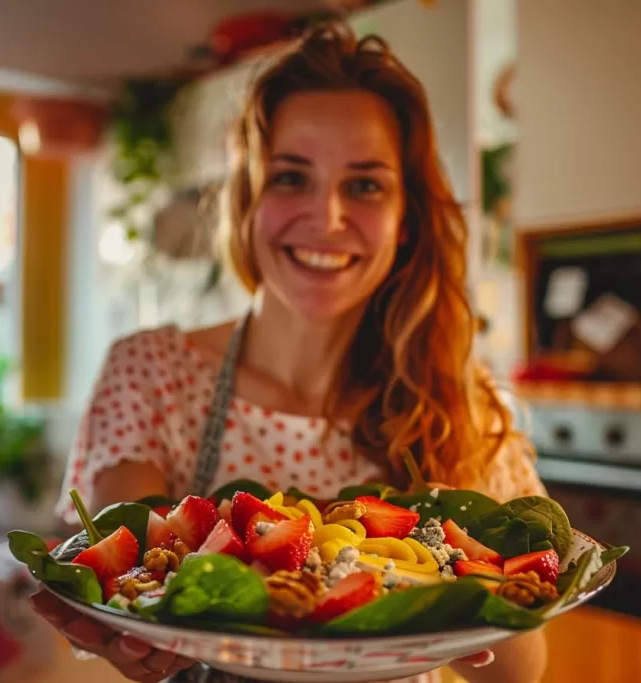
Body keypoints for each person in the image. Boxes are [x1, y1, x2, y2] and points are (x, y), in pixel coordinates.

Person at [32, 19, 548, 683]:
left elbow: (520, 671)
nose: (326, 217)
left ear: (406, 219)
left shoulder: (459, 396)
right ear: (249, 200)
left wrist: (461, 550)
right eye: (291, 177)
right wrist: (129, 627)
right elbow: (133, 580)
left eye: (364, 184)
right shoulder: (149, 373)